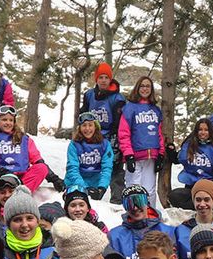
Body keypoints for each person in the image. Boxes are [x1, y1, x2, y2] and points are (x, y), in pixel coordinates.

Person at [0, 105, 54, 199]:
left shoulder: (24, 139)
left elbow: (37, 159)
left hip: (22, 178)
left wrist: (53, 177)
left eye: (11, 120)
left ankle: (17, 194)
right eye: (4, 119)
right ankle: (15, 194)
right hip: (3, 178)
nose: (8, 123)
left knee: (41, 168)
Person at [107, 184, 176, 259]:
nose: (135, 208)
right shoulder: (115, 236)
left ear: (147, 202)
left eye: (139, 201)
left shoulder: (169, 232)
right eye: (129, 204)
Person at [117, 75, 165, 212]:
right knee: (134, 189)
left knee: (149, 191)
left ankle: (151, 216)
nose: (145, 89)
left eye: (148, 86)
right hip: (135, 156)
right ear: (138, 88)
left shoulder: (156, 110)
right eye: (142, 86)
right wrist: (128, 155)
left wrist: (161, 154)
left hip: (152, 156)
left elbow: (159, 134)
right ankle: (132, 217)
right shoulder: (130, 108)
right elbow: (123, 133)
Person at [80, 63, 127, 201]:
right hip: (92, 134)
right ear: (96, 79)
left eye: (107, 77)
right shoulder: (89, 95)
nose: (104, 80)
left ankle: (117, 199)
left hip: (111, 135)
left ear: (110, 79)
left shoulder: (117, 98)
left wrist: (116, 141)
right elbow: (84, 113)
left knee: (114, 167)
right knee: (89, 163)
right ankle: (88, 194)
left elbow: (120, 122)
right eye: (101, 77)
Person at [170, 118, 213, 209]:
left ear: (210, 132)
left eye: (206, 130)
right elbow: (179, 159)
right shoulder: (189, 145)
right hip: (192, 185)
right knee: (174, 195)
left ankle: (209, 207)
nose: (203, 132)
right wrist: (171, 151)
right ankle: (199, 208)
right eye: (200, 130)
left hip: (210, 184)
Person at [66, 111, 115, 199]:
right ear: (79, 128)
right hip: (76, 183)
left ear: (95, 127)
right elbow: (72, 169)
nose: (87, 129)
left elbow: (107, 168)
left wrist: (102, 188)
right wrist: (84, 188)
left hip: (95, 184)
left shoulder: (105, 145)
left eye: (90, 125)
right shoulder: (74, 145)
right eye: (84, 125)